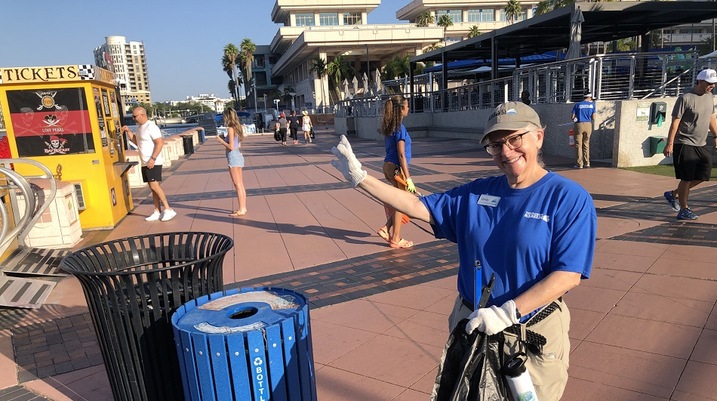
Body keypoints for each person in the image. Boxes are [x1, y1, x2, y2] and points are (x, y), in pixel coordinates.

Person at [331, 101, 596, 401]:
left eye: (514, 139)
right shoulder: (478, 193)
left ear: (538, 136)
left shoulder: (568, 198)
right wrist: (362, 179)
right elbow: (419, 206)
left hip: (530, 333)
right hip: (473, 324)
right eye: (496, 145)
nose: (506, 152)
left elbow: (568, 274)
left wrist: (509, 311)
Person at [663, 68, 717, 220]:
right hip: (684, 142)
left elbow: (711, 117)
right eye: (709, 83)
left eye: (713, 84)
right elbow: (675, 122)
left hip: (701, 143)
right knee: (686, 178)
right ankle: (684, 209)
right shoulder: (685, 98)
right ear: (700, 81)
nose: (712, 86)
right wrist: (670, 144)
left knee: (703, 175)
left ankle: (673, 194)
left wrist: (716, 135)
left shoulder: (709, 96)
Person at [121, 106, 177, 222]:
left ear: (142, 115)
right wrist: (128, 131)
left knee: (154, 186)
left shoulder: (151, 127)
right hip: (145, 161)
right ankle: (157, 211)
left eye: (134, 116)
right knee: (152, 188)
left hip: (152, 161)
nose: (133, 119)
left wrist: (153, 159)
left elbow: (159, 142)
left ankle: (168, 209)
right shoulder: (140, 128)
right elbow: (137, 141)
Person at [377, 95, 416, 249]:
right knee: (400, 204)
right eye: (406, 106)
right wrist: (409, 178)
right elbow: (401, 155)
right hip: (396, 168)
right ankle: (396, 238)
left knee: (399, 202)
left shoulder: (391, 126)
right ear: (401, 109)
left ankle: (386, 229)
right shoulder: (400, 128)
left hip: (388, 166)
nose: (408, 109)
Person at [215, 108, 247, 217]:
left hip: (233, 156)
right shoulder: (238, 128)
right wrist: (226, 138)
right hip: (238, 155)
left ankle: (241, 209)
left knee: (237, 185)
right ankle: (243, 207)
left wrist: (221, 141)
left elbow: (231, 147)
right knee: (241, 184)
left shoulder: (230, 128)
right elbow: (239, 144)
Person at [571, 93, 596, 168]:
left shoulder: (577, 104)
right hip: (588, 124)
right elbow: (594, 117)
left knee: (578, 145)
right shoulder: (592, 105)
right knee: (586, 144)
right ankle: (587, 162)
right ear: (590, 97)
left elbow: (572, 117)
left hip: (579, 124)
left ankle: (579, 164)